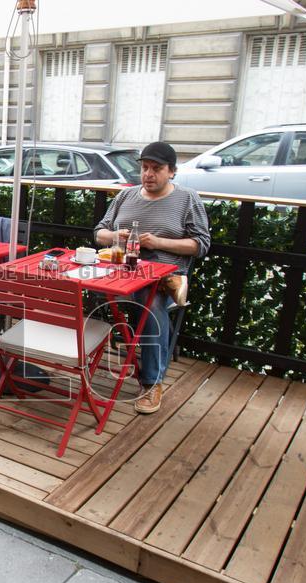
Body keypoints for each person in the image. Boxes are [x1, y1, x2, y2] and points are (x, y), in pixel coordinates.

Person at [94, 141, 211, 414]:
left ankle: (151, 383)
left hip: (164, 272)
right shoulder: (126, 196)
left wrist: (157, 242)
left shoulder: (186, 199)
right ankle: (73, 359)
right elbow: (99, 233)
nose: (148, 174)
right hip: (121, 271)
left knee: (149, 301)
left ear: (172, 171)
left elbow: (201, 245)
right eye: (144, 168)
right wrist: (115, 237)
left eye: (156, 169)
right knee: (79, 284)